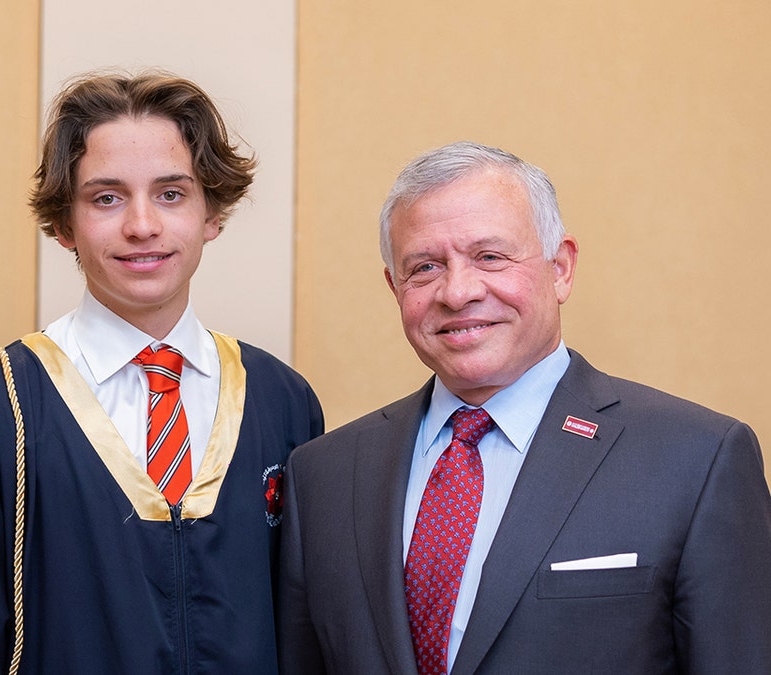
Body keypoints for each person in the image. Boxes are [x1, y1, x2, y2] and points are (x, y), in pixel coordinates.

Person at [277, 141, 771, 674]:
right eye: (424, 267)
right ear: (395, 288)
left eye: (490, 256)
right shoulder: (322, 475)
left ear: (560, 269)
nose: (458, 291)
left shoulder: (697, 460)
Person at [0, 71, 324, 674]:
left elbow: (309, 630)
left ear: (212, 214)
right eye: (106, 197)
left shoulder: (282, 400)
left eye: (172, 194)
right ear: (64, 224)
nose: (141, 225)